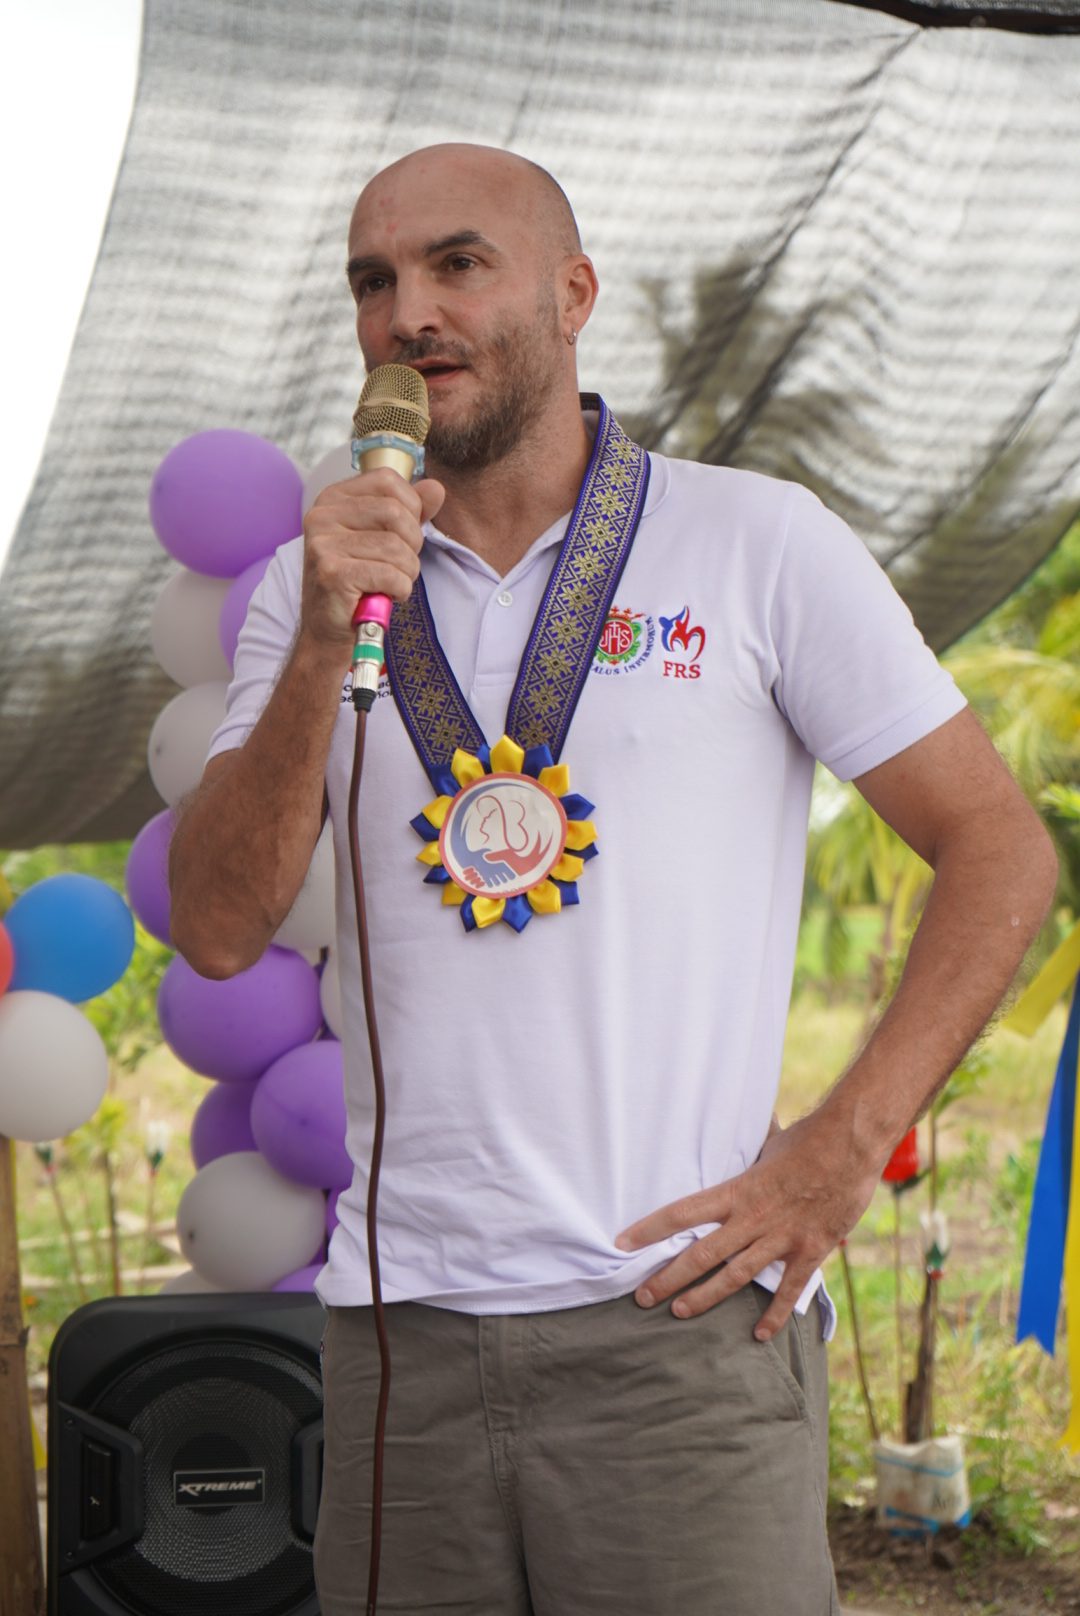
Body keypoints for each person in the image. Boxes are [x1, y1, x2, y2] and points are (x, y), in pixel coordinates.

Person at [169, 143, 1058, 1615]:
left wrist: (843, 1151)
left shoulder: (756, 541)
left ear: (573, 296)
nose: (409, 313)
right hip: (401, 1345)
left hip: (681, 1332)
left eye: (459, 265)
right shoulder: (307, 588)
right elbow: (214, 929)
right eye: (374, 282)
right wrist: (326, 636)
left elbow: (1000, 847)